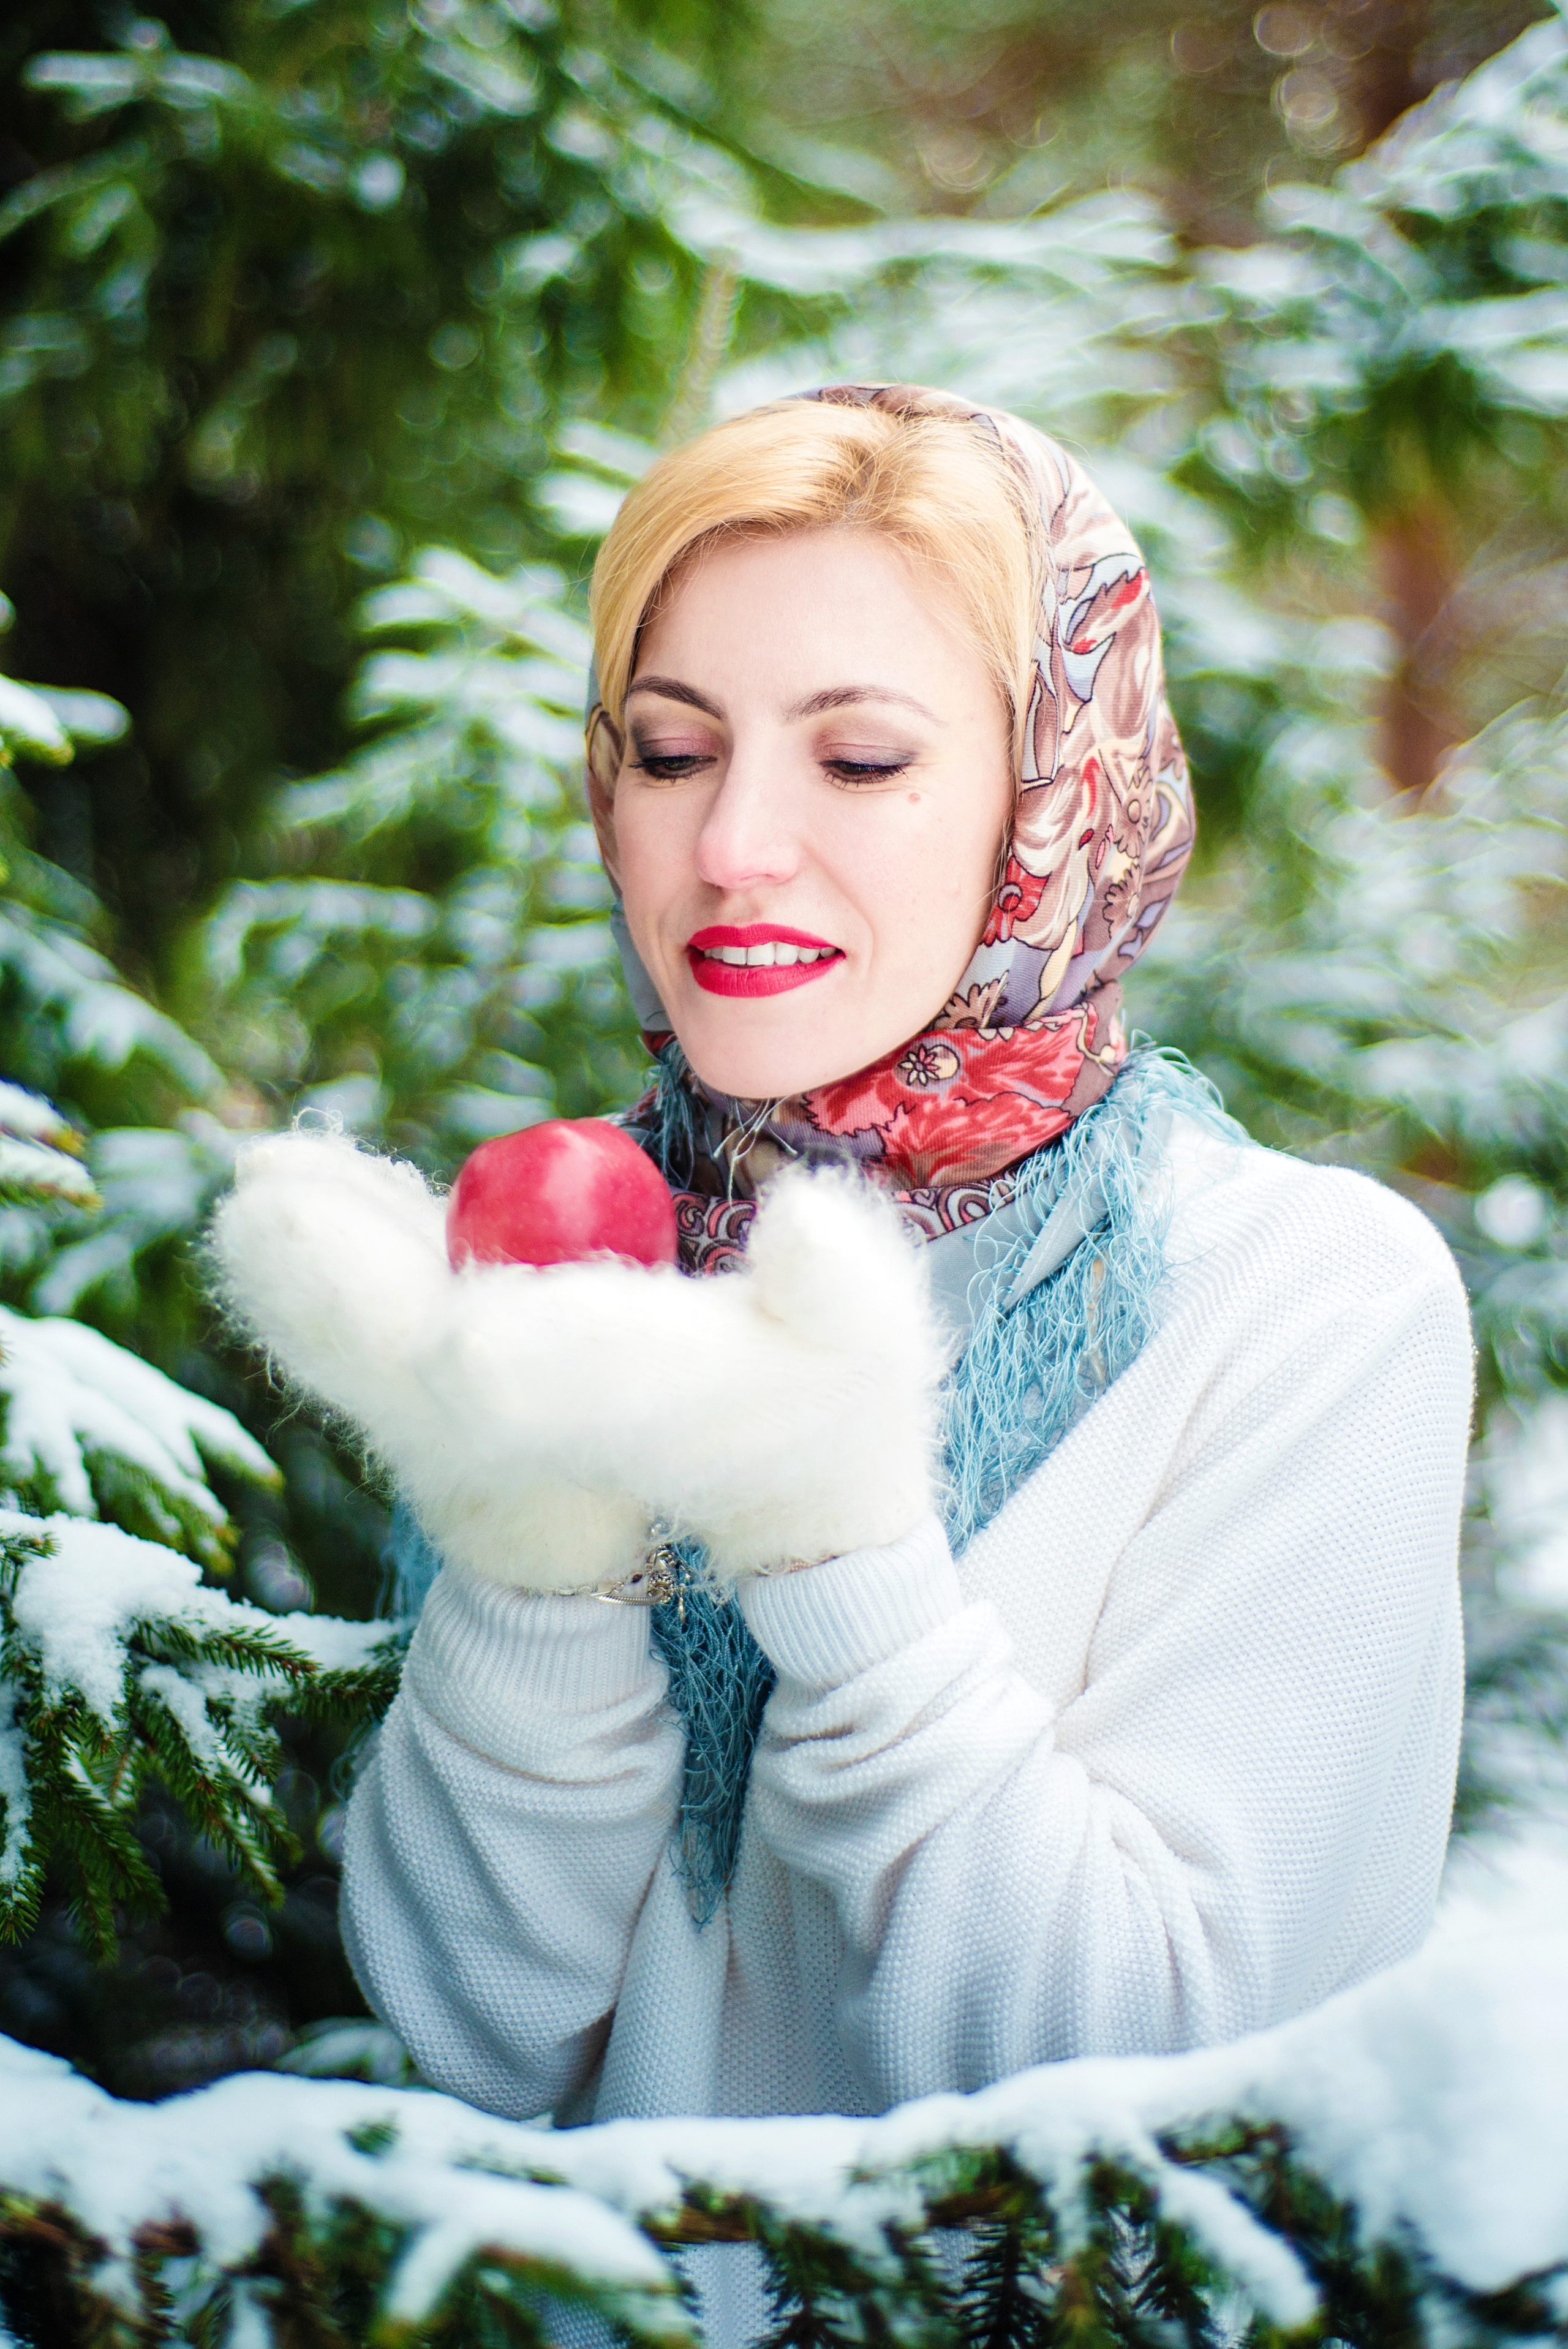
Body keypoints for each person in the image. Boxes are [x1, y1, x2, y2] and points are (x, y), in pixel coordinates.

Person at [210, 384, 1471, 2335]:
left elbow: (1143, 2096)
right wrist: (537, 1539)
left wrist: (832, 1536)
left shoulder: (1299, 1298)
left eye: (862, 756)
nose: (733, 843)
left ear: (1052, 797)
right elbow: (482, 2027)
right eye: (671, 749)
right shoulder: (588, 1264)